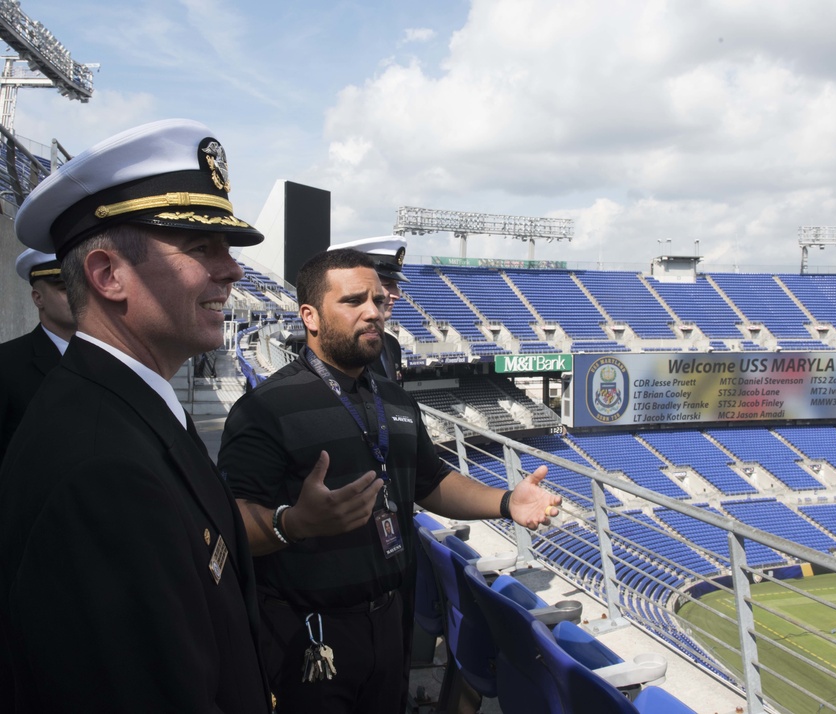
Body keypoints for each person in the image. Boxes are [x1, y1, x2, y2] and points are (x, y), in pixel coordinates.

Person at [0, 119, 271, 713]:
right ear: (107, 276)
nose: (233, 270)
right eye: (202, 247)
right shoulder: (102, 471)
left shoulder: (123, 408)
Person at [217, 248, 561, 714]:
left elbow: (429, 480)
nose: (373, 312)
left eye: (378, 301)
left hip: (389, 624)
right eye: (354, 300)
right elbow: (229, 521)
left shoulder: (396, 400)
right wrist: (293, 523)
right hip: (308, 637)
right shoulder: (265, 409)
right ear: (310, 317)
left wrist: (505, 502)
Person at [0, 249, 76, 463]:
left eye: (82, 286)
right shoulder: (7, 363)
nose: (77, 295)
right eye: (64, 288)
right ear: (38, 297)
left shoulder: (110, 359)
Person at [335, 235, 408, 383]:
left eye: (396, 286)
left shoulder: (391, 344)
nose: (397, 295)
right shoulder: (342, 347)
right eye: (387, 285)